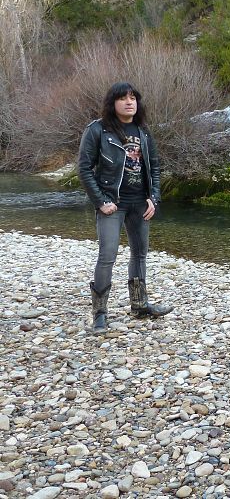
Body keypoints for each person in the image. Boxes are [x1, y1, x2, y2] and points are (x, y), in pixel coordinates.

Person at [78, 82, 174, 335]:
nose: (129, 102)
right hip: (113, 203)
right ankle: (99, 314)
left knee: (140, 254)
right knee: (107, 255)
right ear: (113, 103)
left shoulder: (143, 132)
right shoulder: (98, 130)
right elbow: (85, 169)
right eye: (123, 98)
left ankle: (140, 305)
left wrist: (154, 198)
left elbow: (154, 166)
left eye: (133, 98)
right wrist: (100, 201)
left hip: (140, 203)